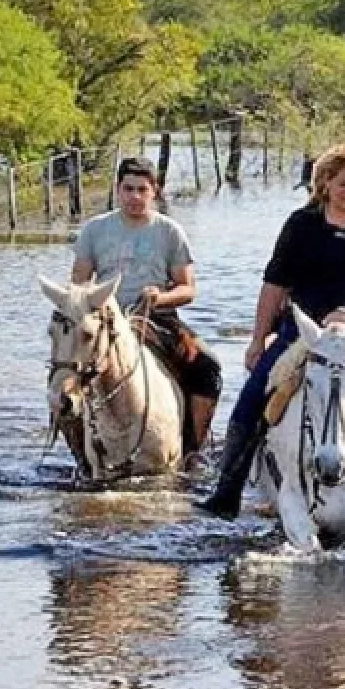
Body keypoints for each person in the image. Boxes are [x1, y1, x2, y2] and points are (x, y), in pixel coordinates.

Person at [196, 143, 345, 520]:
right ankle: (226, 492)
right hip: (303, 334)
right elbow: (274, 284)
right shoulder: (301, 224)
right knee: (252, 399)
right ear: (325, 184)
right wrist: (257, 339)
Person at [69, 157, 222, 468]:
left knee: (208, 367)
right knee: (66, 376)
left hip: (155, 317)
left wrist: (160, 297)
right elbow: (78, 286)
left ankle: (192, 449)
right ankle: (79, 452)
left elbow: (187, 289)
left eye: (142, 189)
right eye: (128, 189)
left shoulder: (169, 231)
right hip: (106, 321)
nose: (134, 197)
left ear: (155, 191)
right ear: (117, 189)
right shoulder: (94, 231)